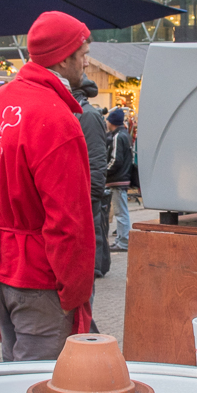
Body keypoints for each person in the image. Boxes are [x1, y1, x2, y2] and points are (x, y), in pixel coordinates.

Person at [0, 10, 94, 361]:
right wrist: (77, 290)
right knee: (41, 384)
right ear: (64, 57)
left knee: (14, 373)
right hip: (41, 276)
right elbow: (71, 220)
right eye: (82, 54)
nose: (86, 61)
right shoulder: (55, 118)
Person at [73, 78, 110, 278]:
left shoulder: (87, 115)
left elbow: (95, 159)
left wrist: (92, 195)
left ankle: (93, 267)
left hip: (85, 194)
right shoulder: (77, 112)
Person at [105, 108, 133, 252]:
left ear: (112, 122)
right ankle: (122, 240)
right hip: (123, 178)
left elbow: (116, 160)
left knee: (120, 212)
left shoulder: (117, 137)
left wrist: (104, 172)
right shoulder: (125, 135)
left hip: (117, 179)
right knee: (122, 211)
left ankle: (123, 242)